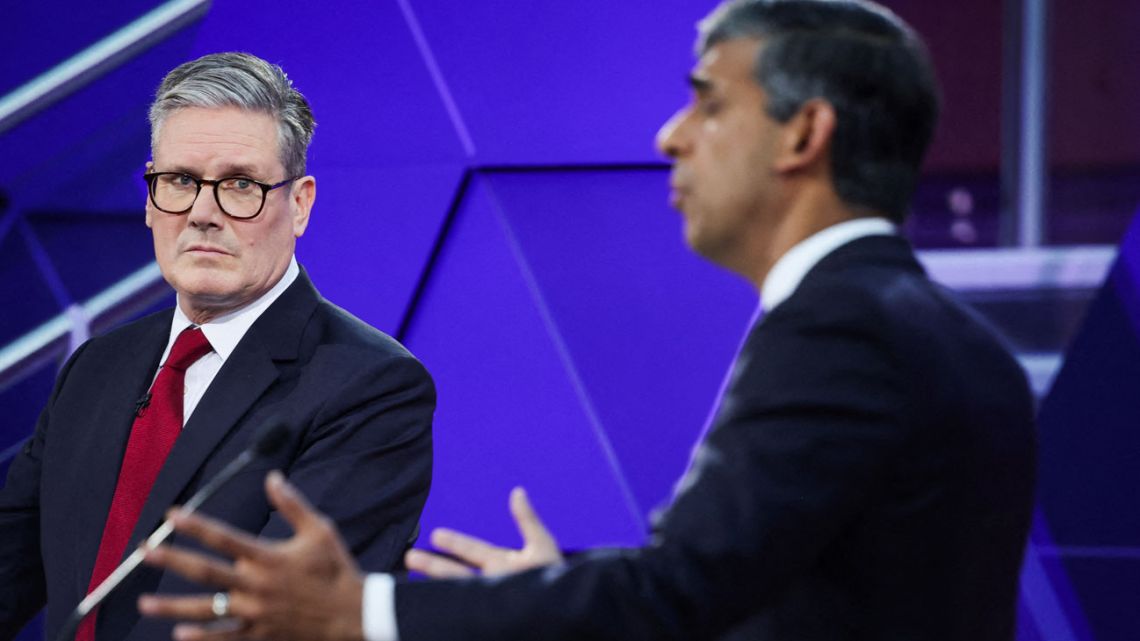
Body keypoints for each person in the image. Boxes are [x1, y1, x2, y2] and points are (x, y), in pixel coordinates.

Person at [136, 1, 1037, 640]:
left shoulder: (841, 328)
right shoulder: (956, 340)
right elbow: (784, 591)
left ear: (804, 135)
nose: (671, 136)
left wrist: (362, 613)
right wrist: (554, 591)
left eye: (709, 101)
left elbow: (680, 593)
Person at [0, 53, 435, 641]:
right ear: (151, 197)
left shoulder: (370, 386)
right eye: (180, 181)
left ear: (299, 203)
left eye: (240, 185)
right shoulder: (95, 367)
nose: (203, 213)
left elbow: (280, 623)